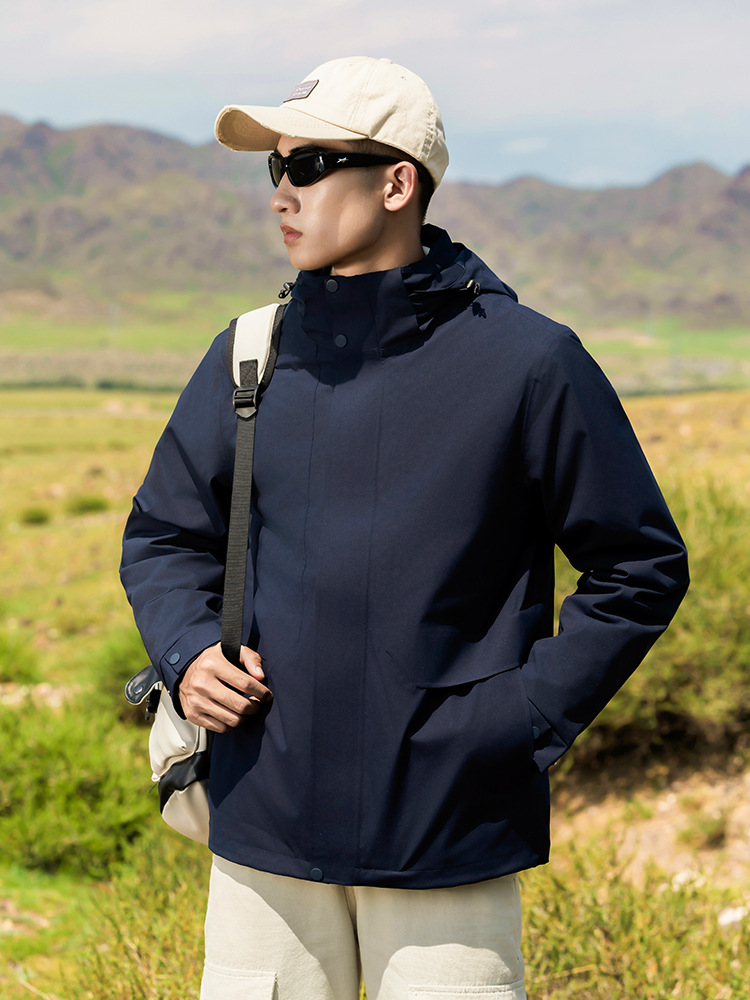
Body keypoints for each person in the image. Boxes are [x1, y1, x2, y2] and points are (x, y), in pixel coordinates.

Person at [120, 56, 689, 1000]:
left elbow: (640, 566)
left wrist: (517, 721)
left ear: (397, 185)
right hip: (265, 820)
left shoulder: (531, 363)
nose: (281, 193)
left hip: (449, 829)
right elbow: (164, 535)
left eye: (309, 166)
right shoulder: (250, 353)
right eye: (275, 169)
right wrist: (187, 652)